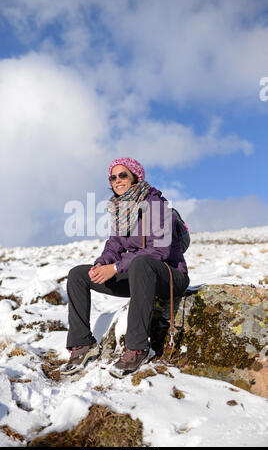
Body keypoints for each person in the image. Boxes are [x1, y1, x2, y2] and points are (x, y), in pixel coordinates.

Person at [62, 157, 190, 378]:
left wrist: (115, 268)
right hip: (140, 278)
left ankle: (137, 349)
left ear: (135, 177)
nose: (117, 180)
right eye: (113, 177)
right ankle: (82, 344)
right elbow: (114, 245)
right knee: (78, 275)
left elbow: (159, 252)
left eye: (123, 175)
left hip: (170, 277)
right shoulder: (121, 210)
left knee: (141, 262)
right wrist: (101, 264)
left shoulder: (156, 205)